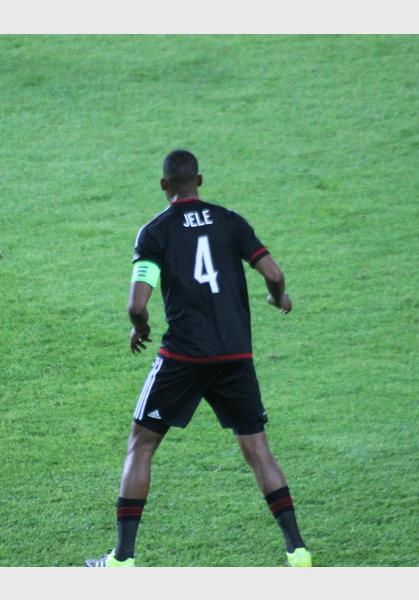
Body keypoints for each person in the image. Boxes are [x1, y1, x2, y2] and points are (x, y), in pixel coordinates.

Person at [85, 150, 312, 568]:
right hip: (235, 355)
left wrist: (141, 328)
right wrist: (276, 298)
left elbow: (137, 304)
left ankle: (121, 561)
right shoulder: (231, 221)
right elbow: (275, 274)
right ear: (200, 180)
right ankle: (297, 550)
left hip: (184, 357)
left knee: (141, 446)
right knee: (258, 450)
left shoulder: (154, 232)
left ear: (164, 185)